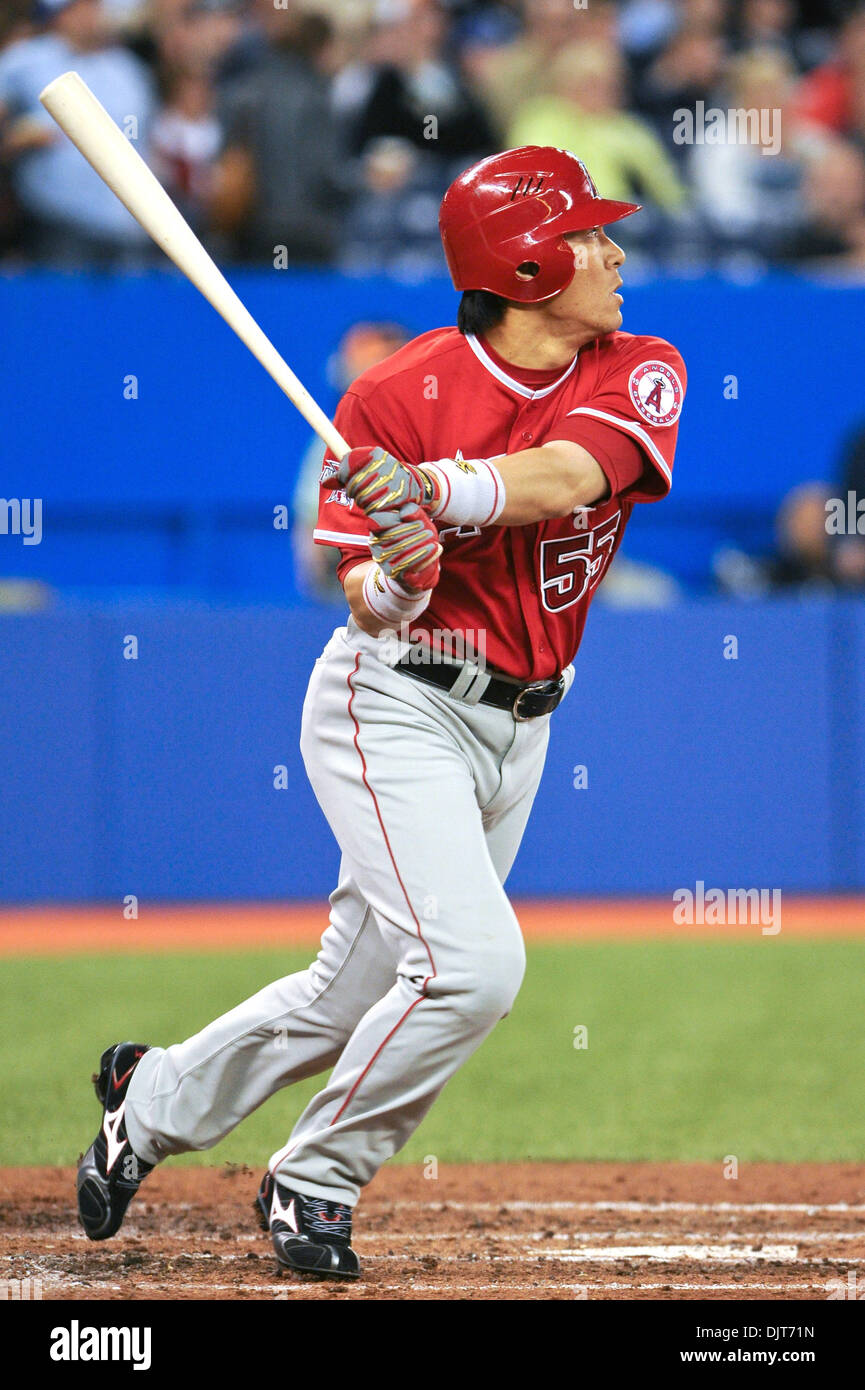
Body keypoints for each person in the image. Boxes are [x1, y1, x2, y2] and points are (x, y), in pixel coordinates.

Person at [76, 145, 686, 1282]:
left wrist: (438, 494)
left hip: (527, 721)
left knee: (348, 992)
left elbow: (571, 474)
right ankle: (314, 1178)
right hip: (397, 704)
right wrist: (405, 569)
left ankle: (149, 1098)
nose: (612, 252)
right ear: (527, 263)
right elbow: (368, 600)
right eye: (590, 236)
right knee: (472, 967)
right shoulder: (390, 398)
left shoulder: (640, 363)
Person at [0, 0, 155, 266]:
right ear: (61, 14)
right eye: (81, 7)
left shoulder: (128, 69)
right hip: (58, 222)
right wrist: (16, 137)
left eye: (95, 7)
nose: (92, 15)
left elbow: (141, 134)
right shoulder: (25, 59)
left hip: (125, 222)